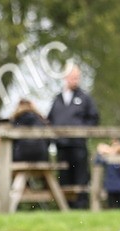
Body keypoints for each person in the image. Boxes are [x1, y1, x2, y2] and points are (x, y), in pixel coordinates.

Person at [47, 62, 99, 209]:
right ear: (65, 77)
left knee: (80, 179)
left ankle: (81, 208)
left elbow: (94, 118)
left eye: (77, 77)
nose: (75, 80)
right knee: (64, 178)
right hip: (62, 146)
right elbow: (50, 120)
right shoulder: (57, 99)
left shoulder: (85, 98)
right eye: (72, 77)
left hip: (78, 146)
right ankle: (65, 208)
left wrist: (82, 132)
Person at [9, 99, 50, 163]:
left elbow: (12, 141)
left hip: (20, 155)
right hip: (41, 156)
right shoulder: (41, 120)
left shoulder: (15, 121)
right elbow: (48, 140)